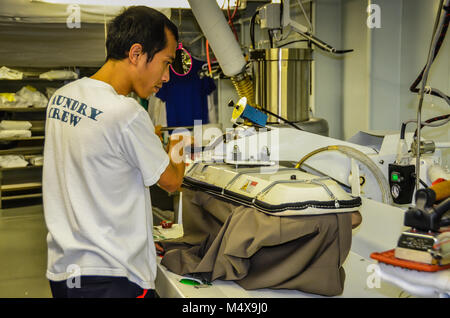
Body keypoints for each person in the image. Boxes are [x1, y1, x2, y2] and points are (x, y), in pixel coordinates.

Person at [43, 6, 189, 298]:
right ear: (136, 54)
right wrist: (179, 144)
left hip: (64, 271)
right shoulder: (127, 113)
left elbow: (99, 157)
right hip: (112, 275)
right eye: (165, 63)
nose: (166, 77)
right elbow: (172, 181)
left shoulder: (61, 98)